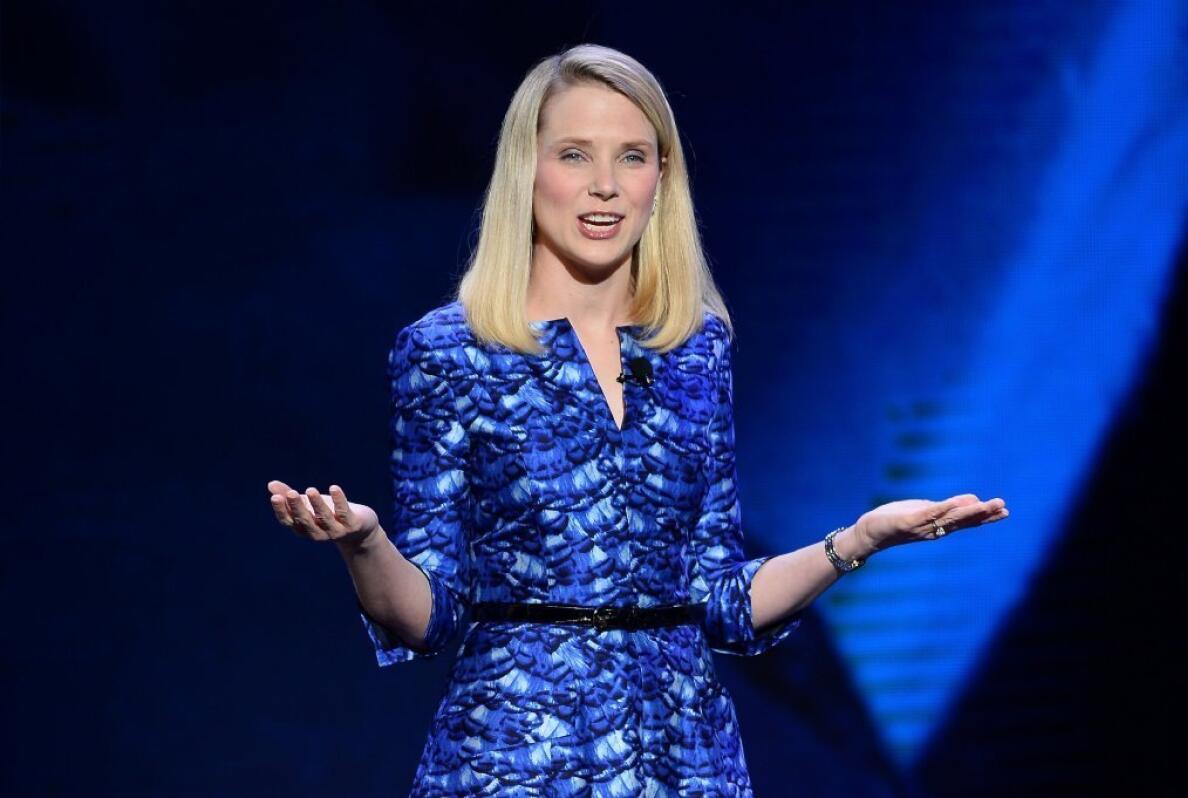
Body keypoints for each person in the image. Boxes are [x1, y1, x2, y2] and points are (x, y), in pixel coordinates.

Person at [266, 43, 1009, 796]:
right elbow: (429, 616)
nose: (604, 187)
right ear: (528, 170)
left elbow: (722, 601)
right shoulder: (446, 353)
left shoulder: (697, 350)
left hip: (685, 758)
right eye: (575, 155)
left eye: (631, 157)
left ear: (662, 178)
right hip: (516, 758)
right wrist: (364, 544)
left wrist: (860, 540)